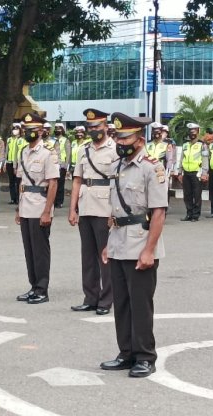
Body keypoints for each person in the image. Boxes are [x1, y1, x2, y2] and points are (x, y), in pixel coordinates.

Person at [99, 112, 167, 378]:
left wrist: (149, 250)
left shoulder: (152, 167)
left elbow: (159, 213)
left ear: (139, 138)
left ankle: (145, 356)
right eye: (117, 136)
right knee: (122, 303)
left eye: (125, 137)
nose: (120, 141)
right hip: (117, 242)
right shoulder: (118, 165)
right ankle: (125, 352)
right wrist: (107, 244)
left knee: (140, 304)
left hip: (140, 243)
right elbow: (114, 210)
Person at [69, 108, 118, 316]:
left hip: (104, 207)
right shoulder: (84, 149)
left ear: (106, 126)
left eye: (97, 126)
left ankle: (106, 300)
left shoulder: (115, 149)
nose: (93, 130)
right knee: (87, 256)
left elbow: (118, 184)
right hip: (85, 205)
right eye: (90, 127)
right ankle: (90, 297)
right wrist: (72, 209)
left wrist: (113, 213)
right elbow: (77, 180)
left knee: (105, 257)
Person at [14, 113, 59, 304]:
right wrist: (18, 208)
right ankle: (33, 286)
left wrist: (47, 211)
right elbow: (21, 183)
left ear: (40, 131)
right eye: (26, 130)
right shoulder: (23, 151)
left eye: (32, 130)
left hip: (40, 206)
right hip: (25, 206)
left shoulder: (48, 153)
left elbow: (53, 184)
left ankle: (42, 289)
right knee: (29, 250)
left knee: (40, 250)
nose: (28, 133)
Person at [178, 122, 209, 222]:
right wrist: (179, 172)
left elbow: (205, 159)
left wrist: (204, 173)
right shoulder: (185, 144)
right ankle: (189, 213)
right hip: (186, 173)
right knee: (187, 195)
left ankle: (195, 215)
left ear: (198, 132)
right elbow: (181, 158)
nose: (192, 133)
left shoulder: (202, 145)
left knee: (196, 195)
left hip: (197, 173)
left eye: (194, 131)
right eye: (191, 131)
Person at [6, 122, 23, 205]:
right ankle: (13, 198)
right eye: (14, 128)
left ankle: (18, 198)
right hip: (9, 162)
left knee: (18, 181)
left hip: (18, 163)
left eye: (17, 128)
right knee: (11, 181)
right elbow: (7, 151)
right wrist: (4, 163)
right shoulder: (9, 139)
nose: (15, 130)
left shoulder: (21, 139)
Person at [54, 122, 71, 209]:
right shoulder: (53, 139)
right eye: (56, 128)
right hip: (54, 164)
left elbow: (68, 154)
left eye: (59, 128)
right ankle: (54, 200)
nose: (57, 130)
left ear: (62, 130)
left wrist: (66, 166)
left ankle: (59, 202)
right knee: (54, 184)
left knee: (60, 184)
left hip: (62, 165)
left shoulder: (65, 140)